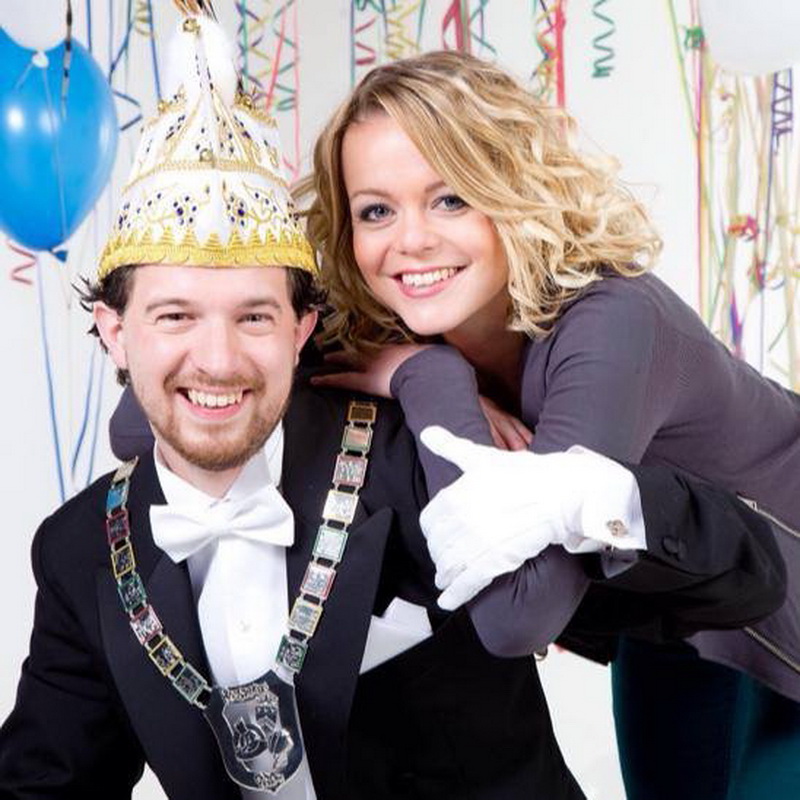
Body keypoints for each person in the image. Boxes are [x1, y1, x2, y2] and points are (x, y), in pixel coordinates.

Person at [296, 51, 800, 800]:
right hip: (679, 633)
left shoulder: (611, 319)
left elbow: (518, 617)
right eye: (376, 210)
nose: (410, 240)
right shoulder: (400, 330)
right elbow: (156, 421)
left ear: (512, 192)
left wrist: (428, 379)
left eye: (450, 198)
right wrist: (430, 370)